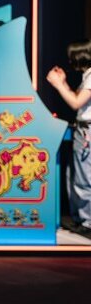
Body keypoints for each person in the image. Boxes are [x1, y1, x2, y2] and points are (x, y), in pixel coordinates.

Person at [46, 39, 91, 234]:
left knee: (84, 179)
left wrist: (58, 85)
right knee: (75, 177)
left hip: (87, 132)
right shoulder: (87, 76)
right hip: (83, 130)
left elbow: (75, 102)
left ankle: (87, 222)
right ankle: (82, 219)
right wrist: (63, 82)